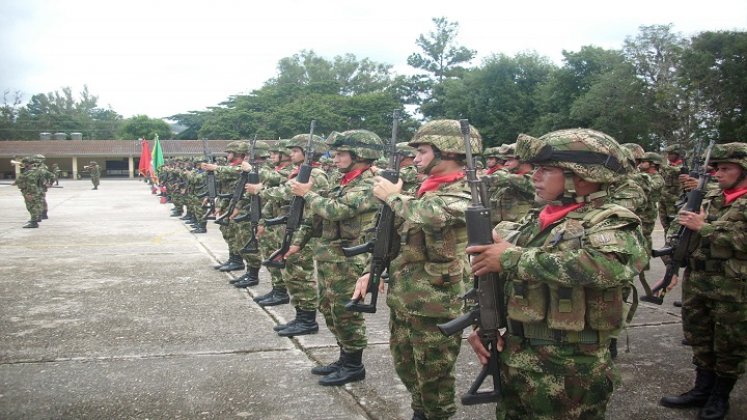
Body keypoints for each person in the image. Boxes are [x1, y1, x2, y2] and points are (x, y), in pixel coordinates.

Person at [466, 128, 649, 419]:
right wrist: (484, 322)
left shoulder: (611, 220)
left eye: (546, 169)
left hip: (569, 367)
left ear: (583, 175)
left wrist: (512, 258)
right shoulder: (538, 219)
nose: (534, 177)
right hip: (515, 356)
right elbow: (498, 276)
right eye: (535, 168)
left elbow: (608, 267)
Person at [353, 119, 479, 420]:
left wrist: (392, 196)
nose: (417, 158)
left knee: (434, 379)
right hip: (405, 297)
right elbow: (397, 240)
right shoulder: (422, 190)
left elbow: (432, 215)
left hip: (437, 303)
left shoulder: (466, 191)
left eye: (422, 151)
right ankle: (420, 412)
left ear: (447, 152)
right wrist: (374, 270)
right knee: (406, 366)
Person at [658, 142, 747, 420]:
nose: (718, 174)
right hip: (697, 281)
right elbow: (682, 234)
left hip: (733, 288)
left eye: (726, 168)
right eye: (717, 168)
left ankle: (720, 397)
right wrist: (673, 266)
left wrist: (704, 227)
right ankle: (701, 388)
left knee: (728, 344)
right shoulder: (713, 198)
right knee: (699, 336)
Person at [289, 129, 383, 386]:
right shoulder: (343, 181)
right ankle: (344, 357)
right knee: (328, 309)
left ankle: (354, 364)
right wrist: (297, 243)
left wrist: (306, 193)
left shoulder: (369, 185)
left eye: (341, 153)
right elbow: (315, 217)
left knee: (345, 313)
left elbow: (335, 210)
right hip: (330, 256)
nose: (335, 157)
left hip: (350, 260)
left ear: (360, 155)